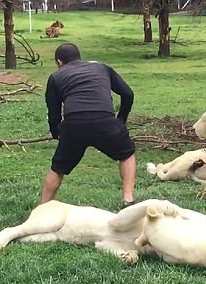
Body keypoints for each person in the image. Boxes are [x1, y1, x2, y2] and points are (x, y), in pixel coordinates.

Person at [40, 43, 136, 207]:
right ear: (79, 57)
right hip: (104, 119)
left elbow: (54, 112)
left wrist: (58, 134)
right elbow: (128, 94)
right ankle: (128, 198)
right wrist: (120, 121)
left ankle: (42, 208)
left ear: (59, 62)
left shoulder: (56, 77)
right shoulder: (102, 68)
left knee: (58, 168)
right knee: (126, 154)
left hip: (74, 124)